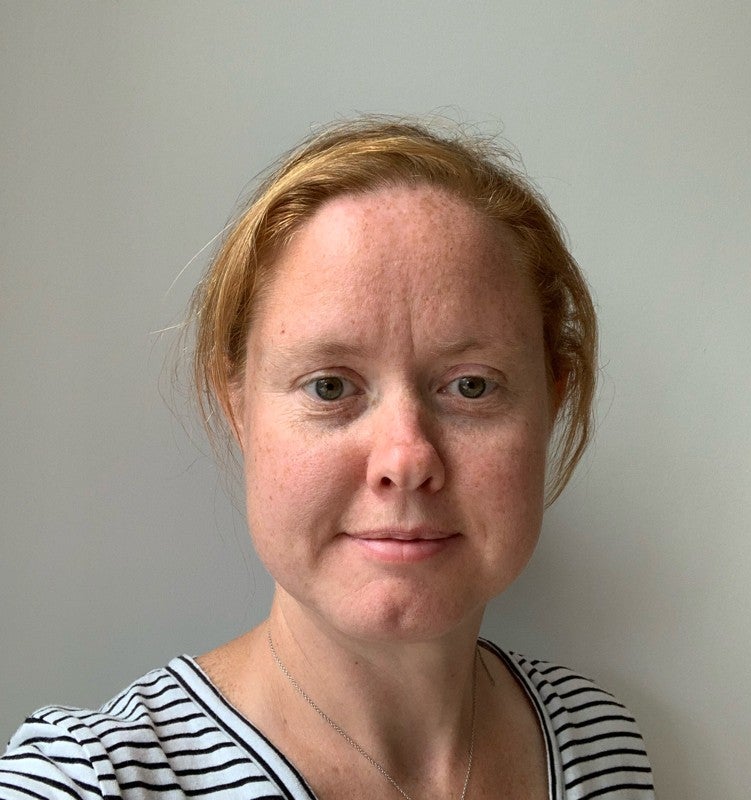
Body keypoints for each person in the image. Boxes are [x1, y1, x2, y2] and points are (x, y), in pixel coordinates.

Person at [1, 118, 655, 799]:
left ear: (552, 403)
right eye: (330, 387)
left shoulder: (599, 743)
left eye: (471, 386)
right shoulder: (87, 779)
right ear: (238, 407)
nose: (406, 460)